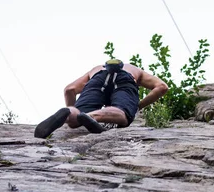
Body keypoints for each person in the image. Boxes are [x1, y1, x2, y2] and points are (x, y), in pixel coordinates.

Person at [34, 59, 168, 138]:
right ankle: (91, 116)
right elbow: (162, 87)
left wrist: (74, 108)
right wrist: (137, 106)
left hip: (97, 77)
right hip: (125, 78)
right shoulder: (134, 69)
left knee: (75, 119)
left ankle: (69, 114)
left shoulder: (96, 68)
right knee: (123, 114)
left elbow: (69, 90)